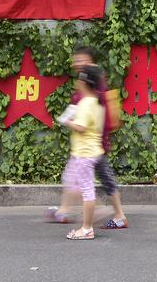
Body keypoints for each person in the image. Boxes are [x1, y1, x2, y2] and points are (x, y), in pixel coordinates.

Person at [49, 47, 129, 229]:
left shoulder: (92, 81)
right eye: (75, 60)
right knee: (81, 178)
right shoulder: (87, 81)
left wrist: (69, 122)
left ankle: (105, 216)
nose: (76, 64)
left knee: (86, 181)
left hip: (91, 144)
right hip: (88, 144)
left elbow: (99, 113)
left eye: (81, 60)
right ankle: (65, 210)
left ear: (90, 61)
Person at [59, 65, 105, 240]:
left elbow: (81, 127)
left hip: (84, 154)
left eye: (79, 79)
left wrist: (67, 121)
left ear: (84, 82)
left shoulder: (86, 103)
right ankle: (91, 215)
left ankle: (87, 228)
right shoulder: (96, 102)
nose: (76, 82)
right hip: (86, 152)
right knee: (70, 181)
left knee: (86, 189)